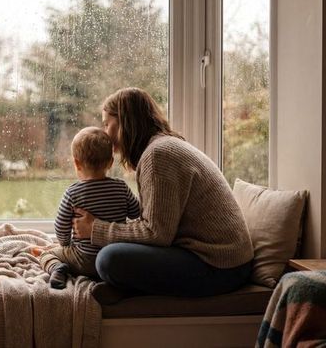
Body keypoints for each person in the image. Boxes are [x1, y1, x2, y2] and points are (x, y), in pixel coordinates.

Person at [72, 87, 253, 297]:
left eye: (107, 124)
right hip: (225, 261)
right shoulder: (162, 147)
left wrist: (95, 229)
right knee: (111, 257)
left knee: (108, 259)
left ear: (125, 123)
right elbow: (158, 225)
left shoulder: (158, 155)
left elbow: (156, 234)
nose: (104, 133)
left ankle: (123, 287)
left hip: (220, 266)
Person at [39, 126, 140, 289]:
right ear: (110, 162)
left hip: (83, 259)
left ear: (76, 163)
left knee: (47, 254)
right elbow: (136, 212)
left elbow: (61, 228)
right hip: (114, 258)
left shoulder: (72, 193)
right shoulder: (121, 187)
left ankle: (57, 268)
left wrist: (65, 245)